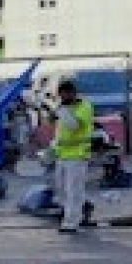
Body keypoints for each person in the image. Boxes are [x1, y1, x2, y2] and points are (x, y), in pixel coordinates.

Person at [53, 79, 94, 233]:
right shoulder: (65, 108)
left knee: (73, 190)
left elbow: (73, 125)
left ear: (72, 93)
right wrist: (53, 148)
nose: (62, 99)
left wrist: (63, 110)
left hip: (77, 155)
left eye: (64, 95)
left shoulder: (84, 106)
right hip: (63, 155)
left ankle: (71, 223)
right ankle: (83, 209)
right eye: (61, 96)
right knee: (63, 189)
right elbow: (61, 131)